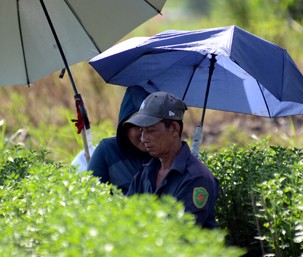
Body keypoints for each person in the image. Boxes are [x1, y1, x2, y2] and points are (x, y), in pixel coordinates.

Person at [125, 91, 219, 229]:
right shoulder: (144, 174)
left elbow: (178, 234)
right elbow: (125, 220)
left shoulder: (197, 178)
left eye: (151, 131)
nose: (143, 139)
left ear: (174, 129)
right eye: (142, 130)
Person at [88, 86, 151, 194]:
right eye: (137, 126)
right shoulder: (107, 151)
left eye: (150, 125)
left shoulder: (166, 156)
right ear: (124, 128)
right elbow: (92, 197)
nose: (144, 134)